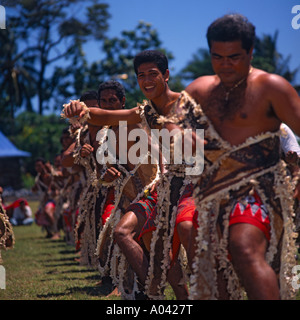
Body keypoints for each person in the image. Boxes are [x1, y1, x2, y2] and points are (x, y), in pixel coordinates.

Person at [170, 13, 300, 300]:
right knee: (216, 267)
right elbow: (172, 121)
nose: (226, 65)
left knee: (243, 246)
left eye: (234, 57)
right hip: (210, 195)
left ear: (251, 52)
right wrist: (181, 134)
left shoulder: (272, 87)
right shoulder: (200, 89)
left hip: (259, 192)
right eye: (218, 57)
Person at [62, 51, 193, 299]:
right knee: (125, 236)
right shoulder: (140, 114)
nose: (146, 80)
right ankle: (152, 292)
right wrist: (81, 110)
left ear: (166, 75)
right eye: (141, 75)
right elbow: (99, 125)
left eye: (152, 74)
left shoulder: (186, 106)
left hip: (180, 190)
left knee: (175, 266)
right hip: (148, 196)